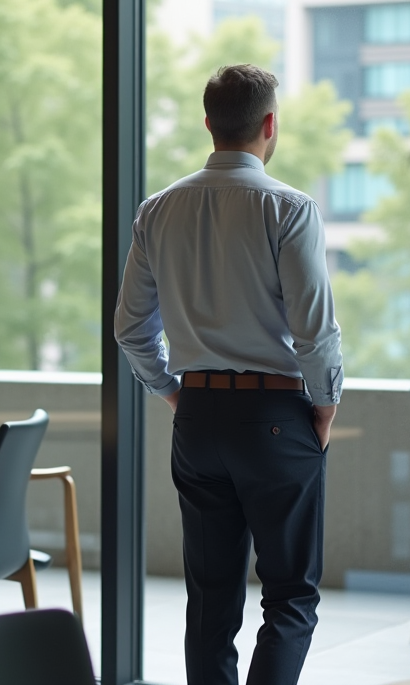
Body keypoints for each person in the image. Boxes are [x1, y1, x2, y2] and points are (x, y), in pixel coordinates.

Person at [115, 63, 343, 685]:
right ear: (270, 124)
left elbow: (130, 329)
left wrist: (170, 392)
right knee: (291, 594)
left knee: (210, 601)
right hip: (275, 417)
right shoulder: (289, 208)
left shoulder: (157, 210)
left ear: (209, 122)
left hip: (198, 421)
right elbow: (314, 331)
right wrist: (323, 406)